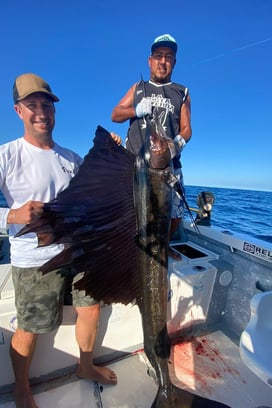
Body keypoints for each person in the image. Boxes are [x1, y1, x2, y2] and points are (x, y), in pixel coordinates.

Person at [0, 73, 120, 408]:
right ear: (18, 110)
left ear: (54, 110)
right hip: (35, 261)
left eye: (46, 105)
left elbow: (92, 195)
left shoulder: (71, 159)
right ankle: (21, 388)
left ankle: (85, 366)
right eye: (32, 105)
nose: (41, 112)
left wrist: (109, 155)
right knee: (32, 327)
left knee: (91, 310)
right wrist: (11, 214)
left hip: (78, 251)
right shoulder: (2, 155)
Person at [112, 34, 192, 259]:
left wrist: (177, 144)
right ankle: (130, 251)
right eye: (158, 56)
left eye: (169, 57)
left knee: (176, 210)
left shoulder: (182, 92)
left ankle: (163, 244)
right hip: (136, 163)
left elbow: (187, 128)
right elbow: (115, 114)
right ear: (150, 60)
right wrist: (135, 110)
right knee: (132, 211)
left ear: (174, 62)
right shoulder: (138, 88)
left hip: (168, 162)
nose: (163, 61)